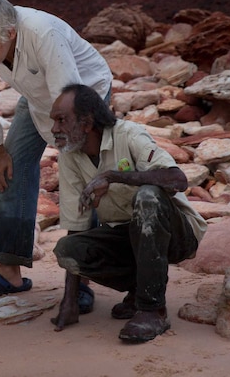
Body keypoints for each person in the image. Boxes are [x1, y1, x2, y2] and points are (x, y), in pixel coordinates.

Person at [0, 0, 112, 314]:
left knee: (82, 181)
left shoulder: (43, 33)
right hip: (39, 96)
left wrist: (69, 156)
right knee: (9, 172)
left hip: (83, 96)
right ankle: (9, 272)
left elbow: (70, 100)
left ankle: (81, 278)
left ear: (10, 33)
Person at [49, 84, 207, 342]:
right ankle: (139, 288)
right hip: (129, 238)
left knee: (148, 196)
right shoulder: (69, 156)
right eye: (53, 121)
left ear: (87, 123)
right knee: (68, 250)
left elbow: (176, 179)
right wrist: (71, 300)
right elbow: (77, 224)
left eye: (61, 120)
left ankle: (152, 309)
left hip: (177, 234)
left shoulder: (129, 135)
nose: (55, 129)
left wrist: (113, 176)